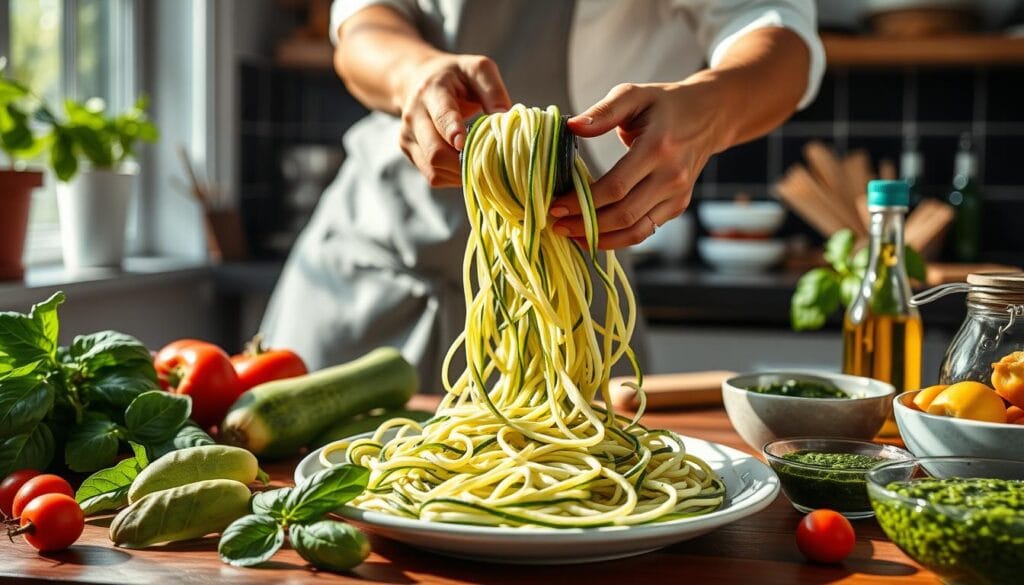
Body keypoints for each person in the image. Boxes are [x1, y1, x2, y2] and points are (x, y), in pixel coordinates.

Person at [262, 0, 824, 386]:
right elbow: (361, 23)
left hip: (571, 289)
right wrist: (414, 73)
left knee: (584, 503)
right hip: (367, 271)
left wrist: (711, 108)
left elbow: (779, 34)